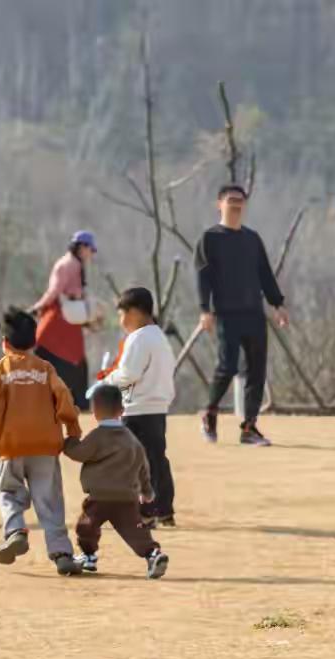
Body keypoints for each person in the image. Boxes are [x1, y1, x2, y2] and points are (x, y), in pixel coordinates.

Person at [0, 308, 84, 576]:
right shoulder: (46, 369)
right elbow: (65, 400)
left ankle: (15, 531)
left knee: (8, 492)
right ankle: (61, 553)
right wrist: (73, 429)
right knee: (49, 501)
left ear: (4, 343)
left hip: (11, 446)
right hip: (46, 446)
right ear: (34, 343)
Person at [195, 184, 289, 446]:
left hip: (254, 313)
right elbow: (203, 278)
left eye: (240, 201)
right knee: (228, 366)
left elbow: (265, 274)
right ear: (219, 204)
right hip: (226, 313)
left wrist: (277, 304)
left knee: (257, 371)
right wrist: (205, 309)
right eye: (230, 200)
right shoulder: (210, 239)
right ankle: (210, 413)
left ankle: (249, 427)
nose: (236, 205)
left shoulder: (252, 239)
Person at [63, 385, 170, 579]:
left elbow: (79, 454)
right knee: (136, 531)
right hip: (127, 498)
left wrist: (69, 442)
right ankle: (153, 554)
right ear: (121, 411)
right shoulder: (131, 439)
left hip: (99, 498)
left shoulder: (97, 437)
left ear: (94, 412)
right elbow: (143, 466)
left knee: (86, 527)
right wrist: (147, 490)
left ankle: (89, 556)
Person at [96, 287, 177, 528]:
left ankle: (145, 512)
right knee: (157, 459)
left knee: (137, 463)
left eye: (122, 314)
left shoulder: (138, 338)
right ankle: (164, 510)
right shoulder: (159, 337)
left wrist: (106, 381)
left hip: (137, 409)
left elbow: (129, 374)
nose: (121, 321)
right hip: (157, 408)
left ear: (133, 313)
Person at [32, 230, 100, 410]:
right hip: (58, 322)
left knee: (75, 363)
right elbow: (54, 291)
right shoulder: (67, 264)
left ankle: (74, 403)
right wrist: (38, 307)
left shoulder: (75, 264)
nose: (90, 254)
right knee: (70, 363)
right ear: (81, 247)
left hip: (68, 322)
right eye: (89, 249)